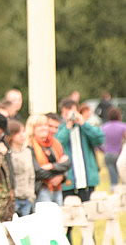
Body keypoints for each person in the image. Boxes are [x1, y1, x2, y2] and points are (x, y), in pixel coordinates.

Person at [56, 98, 104, 242]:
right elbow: (57, 144)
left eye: (72, 112)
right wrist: (68, 126)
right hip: (68, 182)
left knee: (88, 220)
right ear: (62, 114)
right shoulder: (60, 129)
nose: (69, 115)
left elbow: (99, 139)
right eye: (66, 113)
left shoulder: (85, 127)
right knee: (66, 222)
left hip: (87, 181)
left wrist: (83, 123)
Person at [26, 114, 70, 206]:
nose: (44, 128)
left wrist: (58, 173)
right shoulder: (29, 146)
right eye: (40, 125)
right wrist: (57, 171)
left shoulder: (54, 143)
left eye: (45, 125)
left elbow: (67, 163)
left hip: (57, 188)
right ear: (32, 128)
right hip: (41, 188)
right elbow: (37, 171)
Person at [6, 119, 35, 216]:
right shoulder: (7, 154)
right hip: (14, 199)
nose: (22, 135)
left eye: (23, 132)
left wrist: (31, 195)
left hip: (27, 198)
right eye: (18, 133)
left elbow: (31, 175)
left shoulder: (27, 151)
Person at [100, 107, 126, 191]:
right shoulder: (123, 126)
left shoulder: (104, 127)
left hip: (108, 154)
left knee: (113, 178)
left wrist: (103, 150)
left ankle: (114, 194)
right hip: (120, 154)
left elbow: (98, 142)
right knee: (123, 177)